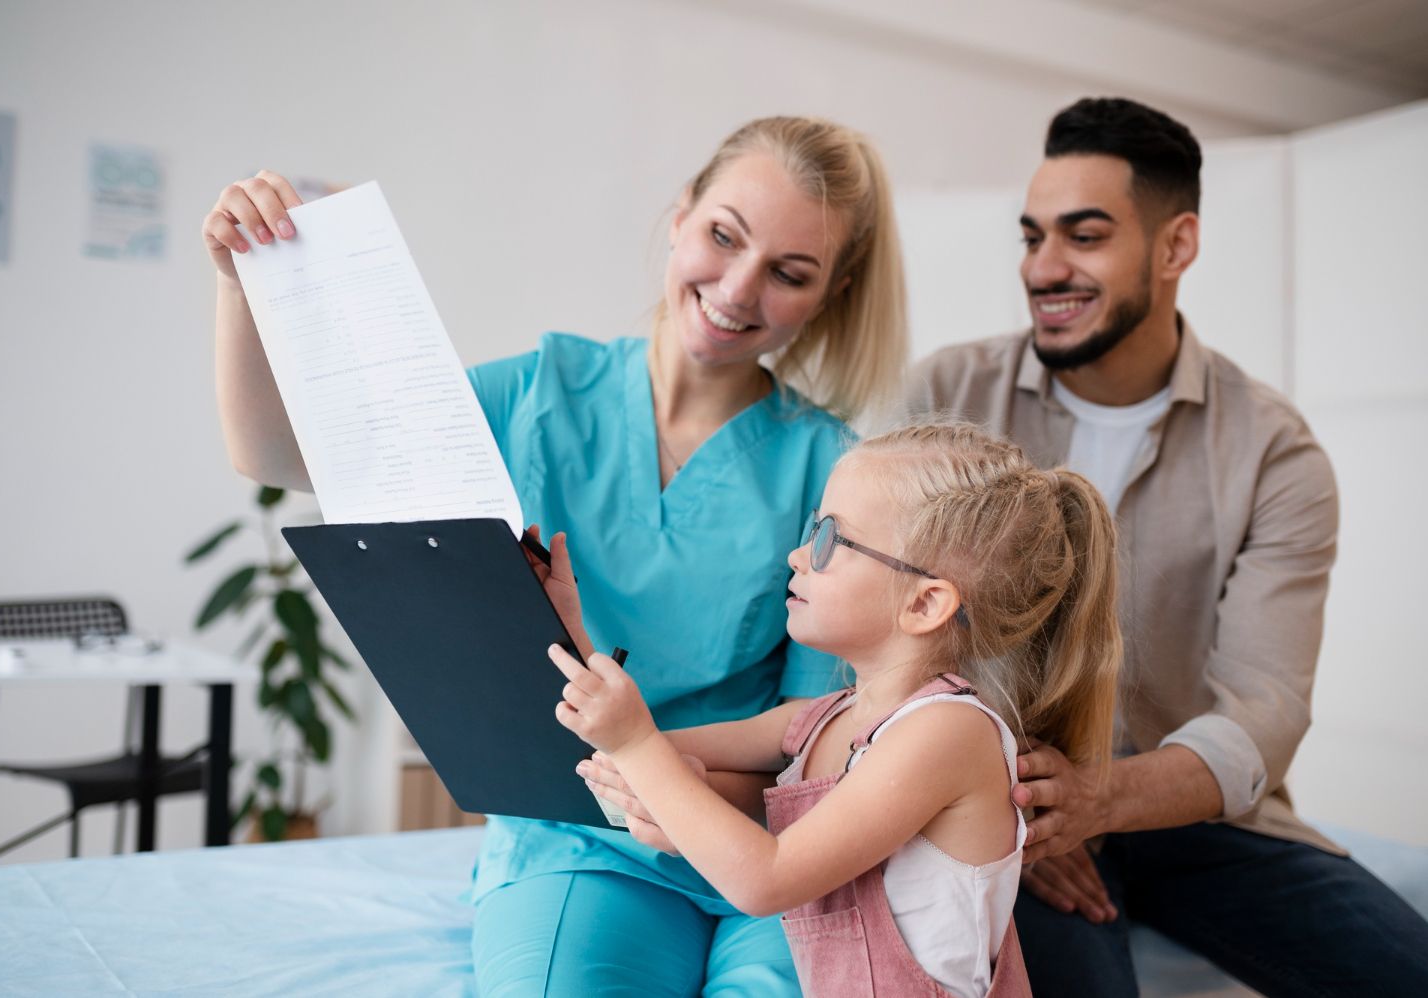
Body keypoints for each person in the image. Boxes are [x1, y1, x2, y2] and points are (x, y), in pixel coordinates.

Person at [202, 116, 908, 995]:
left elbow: (820, 740)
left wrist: (670, 786)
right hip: (583, 839)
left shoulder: (828, 464)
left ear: (830, 294)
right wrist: (242, 288)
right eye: (723, 236)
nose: (736, 286)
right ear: (681, 215)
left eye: (789, 273)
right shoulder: (541, 392)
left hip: (769, 843)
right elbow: (284, 458)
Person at [908, 96, 1428, 996]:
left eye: (1084, 236)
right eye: (1032, 238)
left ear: (1176, 246)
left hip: (1186, 816)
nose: (1044, 268)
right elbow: (884, 631)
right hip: (999, 809)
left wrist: (1103, 798)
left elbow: (1264, 709)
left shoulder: (1274, 450)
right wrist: (1005, 811)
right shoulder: (948, 396)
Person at [541, 422, 1122, 998]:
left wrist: (643, 752)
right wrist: (573, 635)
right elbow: (656, 755)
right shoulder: (824, 719)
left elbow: (766, 879)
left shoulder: (949, 733)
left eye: (828, 540)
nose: (796, 555)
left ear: (924, 603)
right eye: (809, 529)